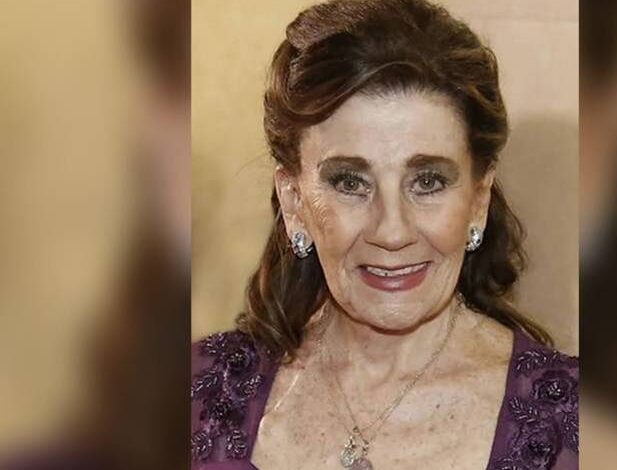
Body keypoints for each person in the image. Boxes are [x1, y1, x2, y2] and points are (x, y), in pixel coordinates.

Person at [191, 1, 578, 469]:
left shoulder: (570, 429)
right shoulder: (197, 395)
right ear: (293, 201)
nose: (392, 232)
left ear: (478, 199)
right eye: (350, 182)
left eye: (428, 181)